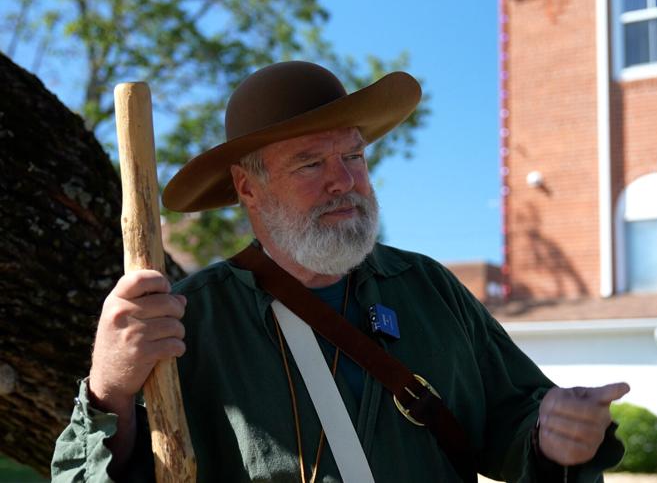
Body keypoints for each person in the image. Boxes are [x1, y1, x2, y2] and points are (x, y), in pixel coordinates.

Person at [52, 61, 627, 482]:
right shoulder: (189, 319)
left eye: (353, 156)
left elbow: (514, 418)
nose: (344, 180)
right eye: (310, 163)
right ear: (248, 187)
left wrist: (554, 437)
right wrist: (110, 390)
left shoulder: (428, 289)